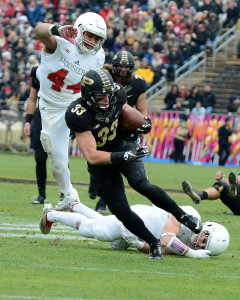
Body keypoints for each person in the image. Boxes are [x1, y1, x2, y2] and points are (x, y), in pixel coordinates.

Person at [63, 68, 202, 259]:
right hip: (102, 161)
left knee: (140, 183)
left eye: (108, 95)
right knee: (120, 210)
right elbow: (92, 156)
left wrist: (141, 123)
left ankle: (183, 216)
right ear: (88, 96)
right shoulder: (77, 113)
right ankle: (153, 242)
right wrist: (123, 156)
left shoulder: (117, 93)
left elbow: (125, 109)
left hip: (122, 143)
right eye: (100, 97)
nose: (106, 100)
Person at [33, 12, 107, 212]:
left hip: (75, 104)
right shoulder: (61, 42)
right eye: (89, 35)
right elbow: (39, 30)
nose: (92, 42)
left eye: (97, 38)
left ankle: (98, 184)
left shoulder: (99, 56)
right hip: (50, 104)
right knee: (55, 154)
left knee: (102, 140)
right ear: (79, 30)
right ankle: (68, 195)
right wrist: (56, 29)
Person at [40, 202, 229, 258]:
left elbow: (157, 249)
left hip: (138, 231)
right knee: (94, 231)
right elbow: (167, 239)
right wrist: (193, 255)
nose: (200, 243)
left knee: (106, 227)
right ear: (207, 229)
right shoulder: (191, 217)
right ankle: (51, 215)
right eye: (205, 238)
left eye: (204, 246)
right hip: (140, 217)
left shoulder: (186, 246)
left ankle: (75, 205)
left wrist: (136, 244)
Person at [90, 50, 149, 214]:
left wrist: (143, 123)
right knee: (100, 162)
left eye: (126, 68)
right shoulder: (105, 78)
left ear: (132, 68)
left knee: (117, 165)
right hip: (105, 125)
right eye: (119, 68)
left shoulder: (138, 83)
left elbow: (142, 109)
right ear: (113, 67)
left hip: (125, 130)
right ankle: (94, 181)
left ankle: (101, 204)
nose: (122, 72)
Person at [24, 65, 64, 204]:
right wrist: (27, 121)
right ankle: (41, 195)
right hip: (42, 117)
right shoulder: (38, 70)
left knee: (61, 158)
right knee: (40, 158)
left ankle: (65, 195)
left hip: (60, 117)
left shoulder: (68, 68)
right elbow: (32, 98)